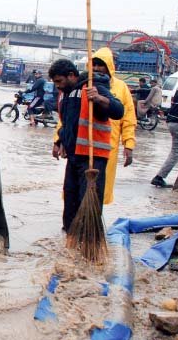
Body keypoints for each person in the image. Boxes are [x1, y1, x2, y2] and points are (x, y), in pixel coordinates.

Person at [50, 58, 125, 232]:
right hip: (74, 156)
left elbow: (118, 110)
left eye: (59, 81)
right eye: (55, 83)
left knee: (89, 201)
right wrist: (60, 140)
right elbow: (68, 123)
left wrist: (98, 98)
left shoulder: (93, 86)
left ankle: (90, 241)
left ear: (71, 75)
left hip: (93, 156)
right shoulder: (65, 95)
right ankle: (70, 241)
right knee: (70, 201)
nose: (58, 86)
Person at [92, 47, 136, 205]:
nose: (97, 68)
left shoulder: (120, 87)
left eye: (100, 65)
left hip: (109, 147)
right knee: (78, 187)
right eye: (94, 64)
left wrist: (129, 145)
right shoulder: (84, 85)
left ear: (109, 66)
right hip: (84, 146)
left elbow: (128, 118)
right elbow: (67, 115)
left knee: (101, 188)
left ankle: (95, 219)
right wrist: (59, 140)